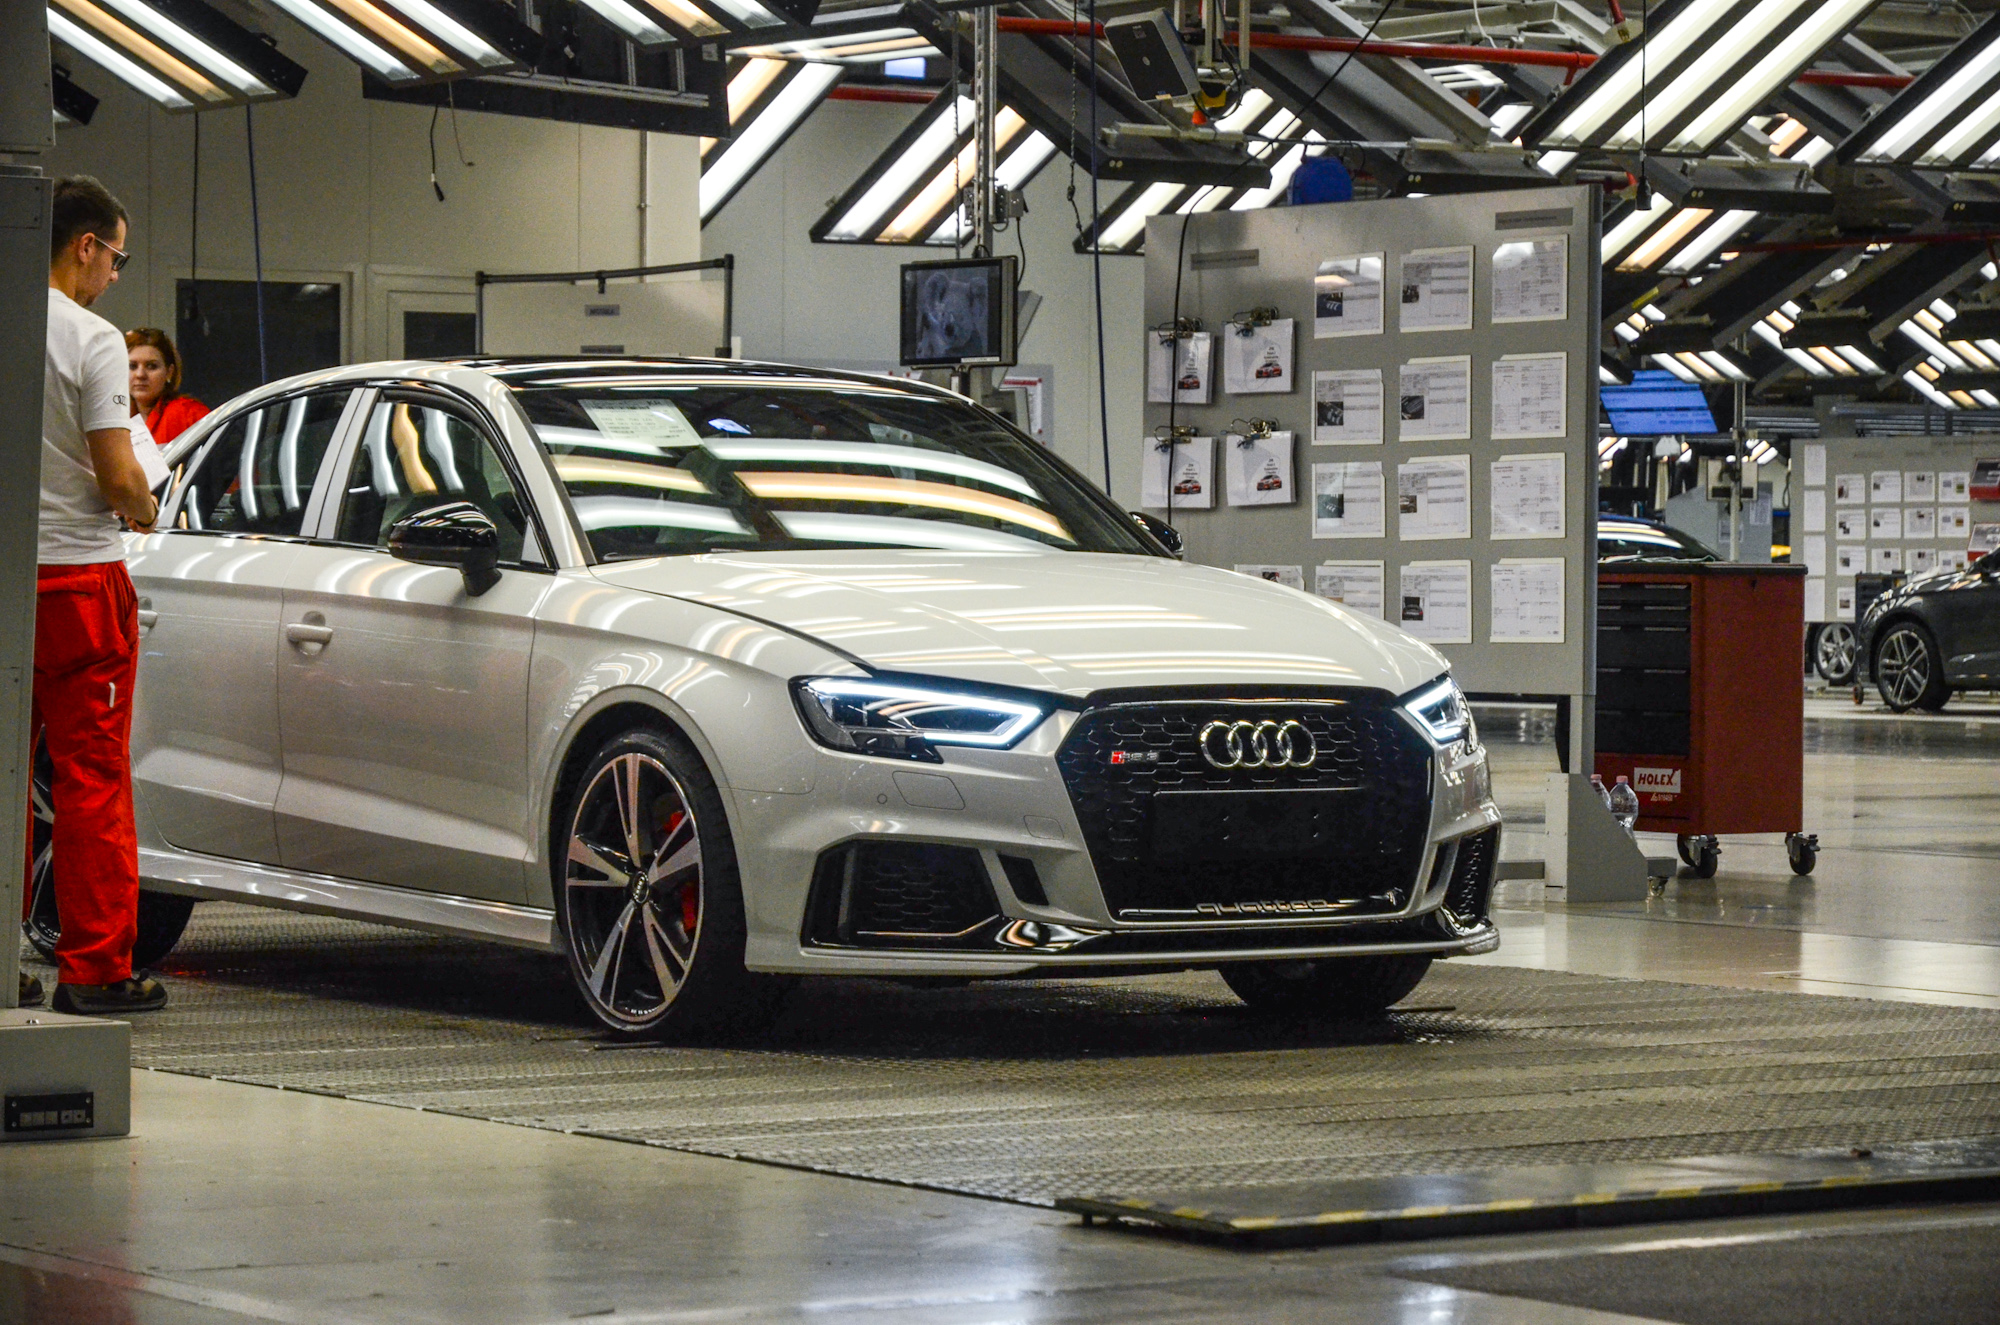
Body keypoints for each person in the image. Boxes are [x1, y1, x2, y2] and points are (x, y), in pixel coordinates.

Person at [32, 175, 168, 1015]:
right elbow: (119, 477)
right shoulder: (91, 337)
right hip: (79, 581)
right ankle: (94, 970)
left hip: (10, 576)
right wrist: (146, 504)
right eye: (115, 258)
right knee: (91, 777)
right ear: (85, 246)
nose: (114, 276)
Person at [126, 327, 207, 446]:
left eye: (151, 366)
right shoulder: (116, 421)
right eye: (132, 366)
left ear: (169, 372)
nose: (140, 375)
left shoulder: (189, 414)